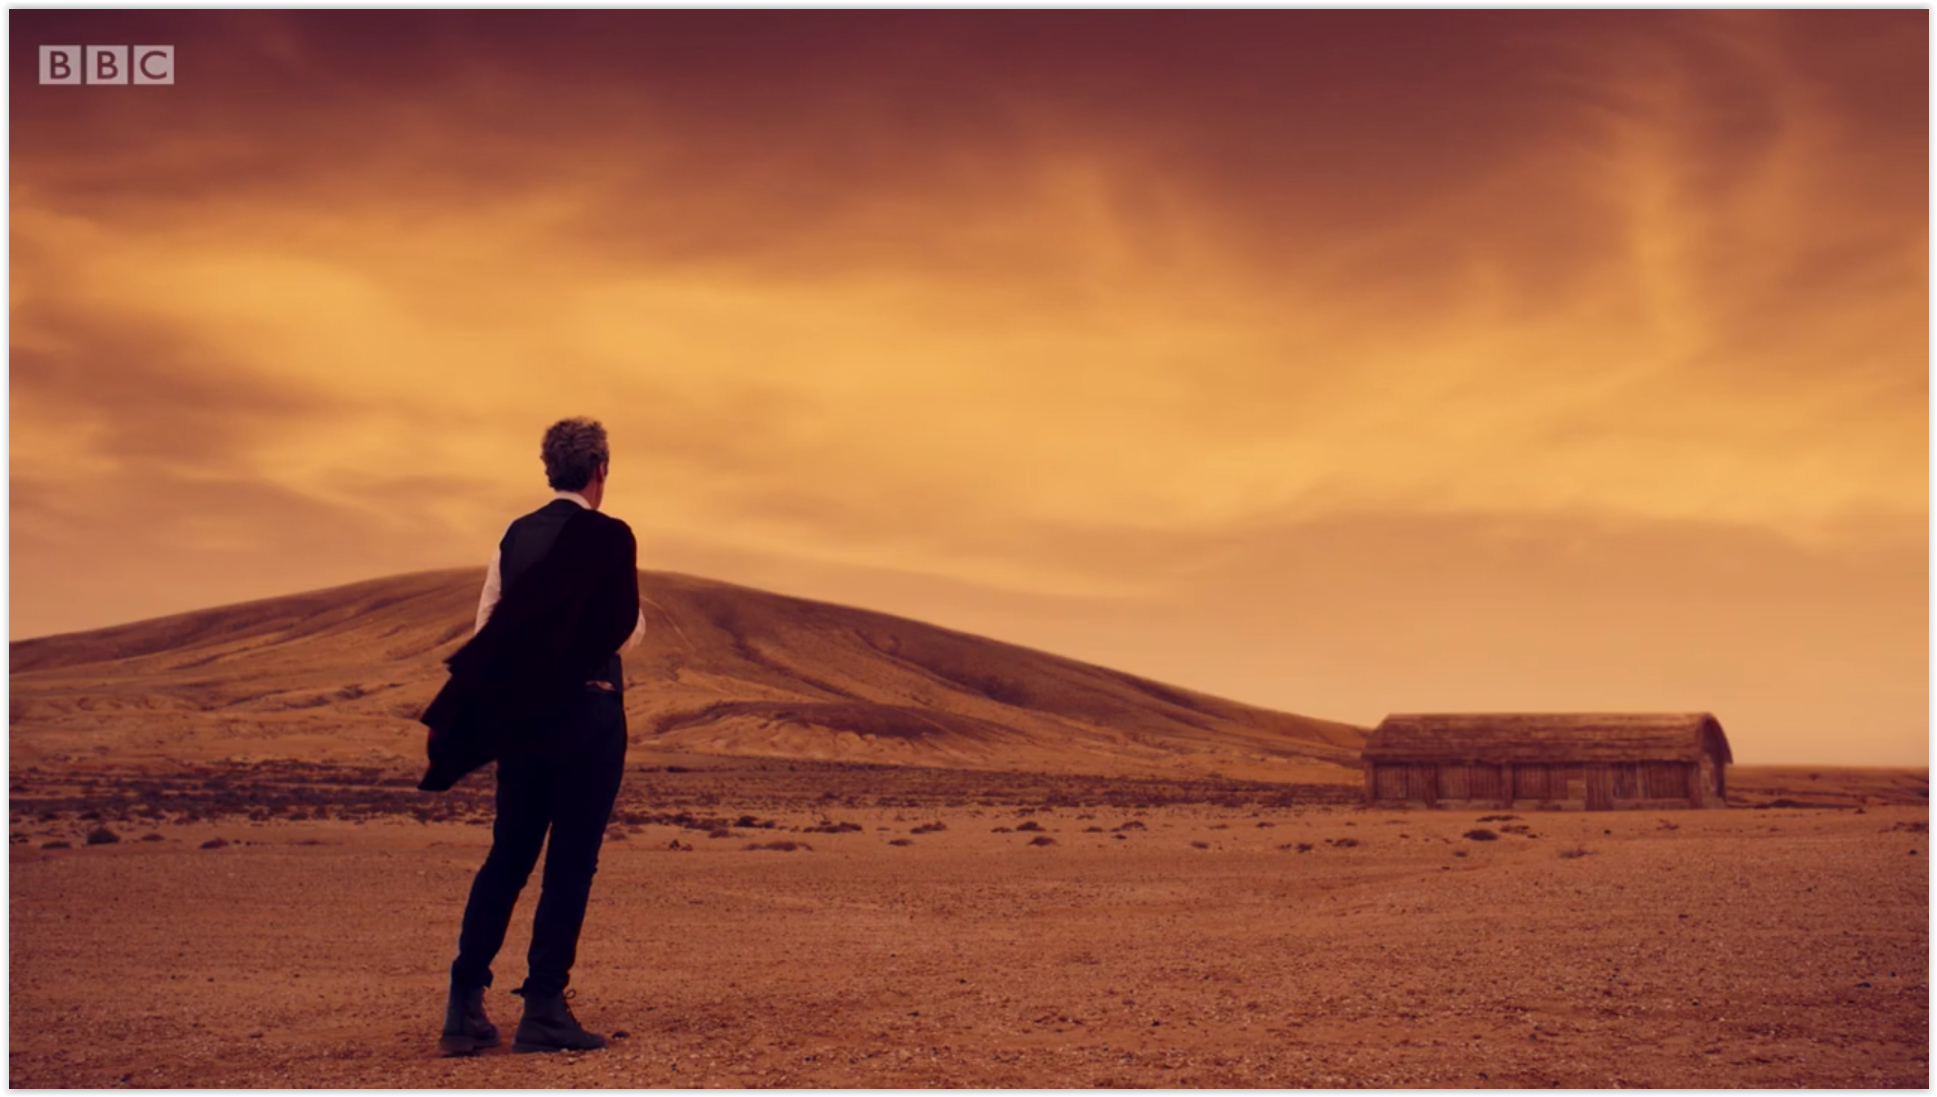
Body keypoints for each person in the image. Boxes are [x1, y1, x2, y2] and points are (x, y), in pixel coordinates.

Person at [418, 417, 645, 1055]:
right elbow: (626, 631)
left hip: (523, 722)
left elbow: (488, 622)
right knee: (570, 864)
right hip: (589, 715)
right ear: (600, 470)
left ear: (550, 471)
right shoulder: (611, 538)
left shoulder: (514, 537)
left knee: (508, 857)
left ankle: (463, 1006)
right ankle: (543, 1007)